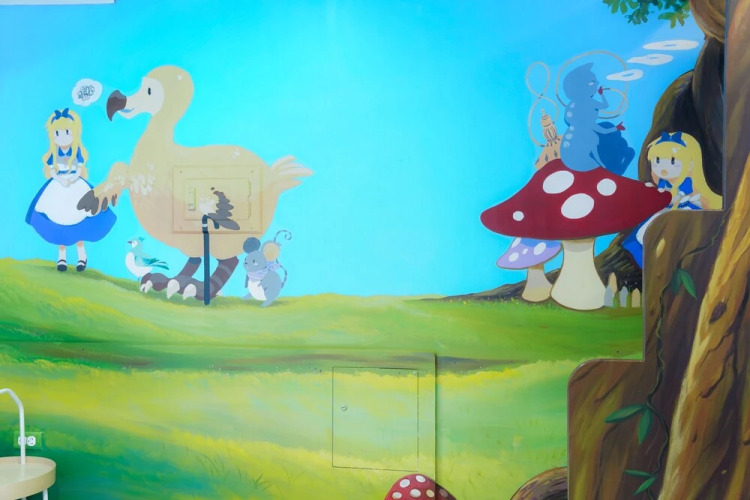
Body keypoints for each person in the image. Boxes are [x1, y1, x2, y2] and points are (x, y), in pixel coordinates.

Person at [26, 108, 116, 271]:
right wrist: (61, 180)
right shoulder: (54, 153)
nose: (62, 137)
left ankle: (82, 257)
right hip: (58, 187)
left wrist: (72, 179)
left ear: (74, 133)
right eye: (57, 133)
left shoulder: (77, 152)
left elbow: (79, 169)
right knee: (60, 221)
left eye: (67, 132)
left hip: (75, 186)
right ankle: (62, 258)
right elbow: (52, 171)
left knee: (78, 220)